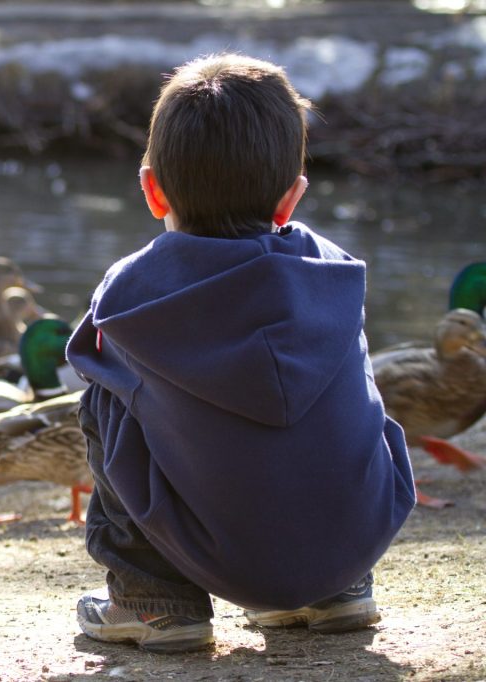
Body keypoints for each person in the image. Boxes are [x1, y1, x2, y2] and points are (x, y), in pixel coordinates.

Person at [65, 53, 416, 653]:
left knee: (105, 389)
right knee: (346, 362)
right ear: (291, 199)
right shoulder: (332, 273)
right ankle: (338, 590)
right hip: (352, 542)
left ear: (152, 190)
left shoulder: (131, 293)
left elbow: (92, 361)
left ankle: (154, 602)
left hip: (219, 553)